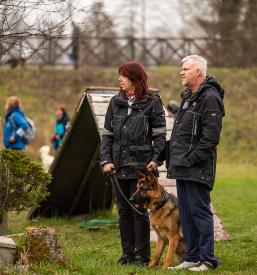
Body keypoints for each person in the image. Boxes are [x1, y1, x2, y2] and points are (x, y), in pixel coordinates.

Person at [100, 61, 166, 266]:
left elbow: (160, 135)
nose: (120, 79)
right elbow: (108, 135)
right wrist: (106, 160)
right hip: (118, 167)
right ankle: (126, 254)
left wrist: (156, 160)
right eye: (119, 75)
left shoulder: (153, 102)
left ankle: (141, 256)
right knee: (123, 211)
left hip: (142, 169)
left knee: (139, 211)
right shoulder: (115, 102)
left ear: (136, 79)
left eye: (124, 76)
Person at [167, 55, 225, 271]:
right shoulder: (188, 97)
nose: (181, 72)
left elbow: (210, 138)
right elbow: (181, 135)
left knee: (200, 212)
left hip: (197, 167)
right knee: (187, 212)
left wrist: (190, 159)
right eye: (181, 69)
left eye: (185, 69)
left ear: (198, 72)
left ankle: (208, 259)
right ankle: (191, 256)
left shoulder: (210, 97)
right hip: (182, 166)